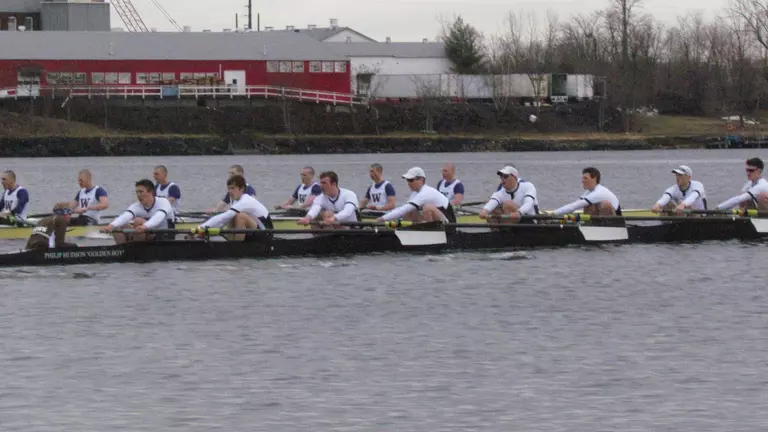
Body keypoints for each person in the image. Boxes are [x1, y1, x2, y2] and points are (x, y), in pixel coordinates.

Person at [198, 175, 273, 241]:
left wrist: (200, 228)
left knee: (240, 216)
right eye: (229, 189)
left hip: (266, 233)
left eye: (232, 188)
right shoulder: (237, 201)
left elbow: (223, 218)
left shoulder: (245, 200)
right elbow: (224, 220)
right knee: (232, 216)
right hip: (256, 230)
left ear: (241, 189)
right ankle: (231, 242)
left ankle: (236, 247)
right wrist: (206, 230)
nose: (230, 191)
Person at [104, 179, 175, 244]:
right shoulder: (136, 206)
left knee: (138, 221)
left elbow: (158, 217)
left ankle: (136, 248)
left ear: (151, 192)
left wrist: (144, 226)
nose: (138, 195)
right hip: (147, 234)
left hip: (164, 236)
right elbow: (125, 216)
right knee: (117, 225)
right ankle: (123, 249)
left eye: (141, 192)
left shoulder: (163, 202)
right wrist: (111, 225)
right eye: (137, 192)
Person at [377, 167, 456, 223]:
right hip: (440, 220)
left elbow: (404, 209)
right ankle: (406, 233)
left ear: (421, 180)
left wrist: (382, 218)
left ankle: (430, 234)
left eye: (411, 180)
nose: (409, 183)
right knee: (409, 211)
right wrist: (392, 220)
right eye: (407, 180)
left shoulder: (426, 192)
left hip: (449, 224)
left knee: (427, 208)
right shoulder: (415, 193)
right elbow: (404, 209)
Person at [553, 167, 622, 216]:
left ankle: (603, 228)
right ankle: (592, 226)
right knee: (588, 205)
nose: (582, 181)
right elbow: (574, 206)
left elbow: (573, 207)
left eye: (585, 178)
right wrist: (555, 213)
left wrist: (553, 214)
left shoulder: (599, 192)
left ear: (594, 179)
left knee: (604, 204)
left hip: (617, 221)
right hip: (603, 217)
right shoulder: (589, 192)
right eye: (582, 178)